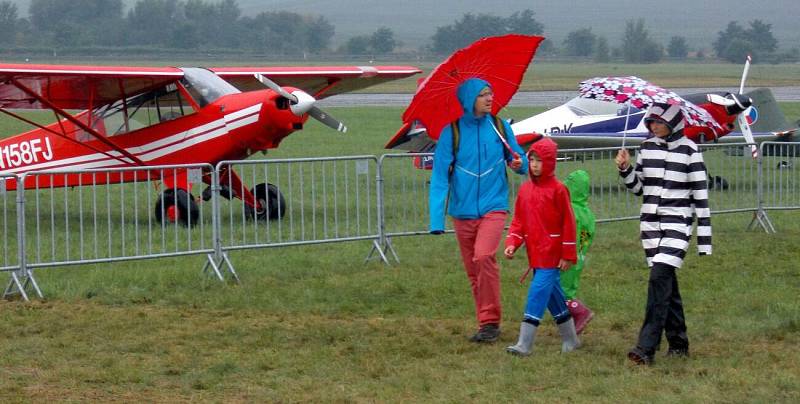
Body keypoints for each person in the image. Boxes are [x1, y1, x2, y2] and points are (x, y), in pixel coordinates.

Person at [429, 78, 527, 343]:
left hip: (494, 206)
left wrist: (520, 164)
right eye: (483, 94)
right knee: (474, 271)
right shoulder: (452, 132)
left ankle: (492, 319)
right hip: (462, 212)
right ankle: (487, 324)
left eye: (490, 93)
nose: (489, 98)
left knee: (484, 257)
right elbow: (439, 176)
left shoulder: (500, 126)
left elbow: (519, 159)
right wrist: (436, 218)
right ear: (469, 98)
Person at [614, 102, 712, 365]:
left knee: (658, 278)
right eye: (650, 122)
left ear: (672, 124)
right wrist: (625, 169)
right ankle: (679, 344)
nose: (652, 126)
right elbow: (638, 188)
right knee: (666, 284)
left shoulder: (691, 151)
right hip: (650, 225)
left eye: (658, 122)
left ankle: (646, 347)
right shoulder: (646, 147)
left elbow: (701, 198)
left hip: (678, 224)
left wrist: (704, 241)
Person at [504, 137, 580, 356]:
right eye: (532, 159)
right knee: (554, 297)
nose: (535, 165)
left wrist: (567, 254)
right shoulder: (525, 190)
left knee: (536, 293)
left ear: (550, 163)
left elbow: (569, 222)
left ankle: (524, 344)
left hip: (552, 255)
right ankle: (571, 340)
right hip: (535, 254)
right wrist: (512, 242)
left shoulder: (559, 190)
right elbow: (519, 220)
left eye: (540, 160)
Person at [561, 170, 597, 334]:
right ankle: (568, 322)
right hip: (579, 257)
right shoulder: (587, 213)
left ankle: (580, 312)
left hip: (566, 258)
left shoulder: (571, 211)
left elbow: (570, 234)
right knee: (568, 287)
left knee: (560, 290)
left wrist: (566, 253)